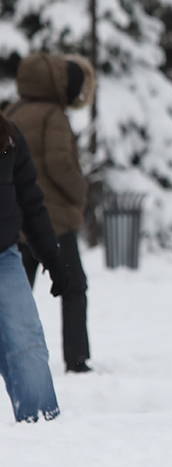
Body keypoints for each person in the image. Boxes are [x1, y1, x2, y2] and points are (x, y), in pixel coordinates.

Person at [5, 52, 95, 373]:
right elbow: (61, 165)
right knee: (73, 287)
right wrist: (80, 191)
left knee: (16, 295)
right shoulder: (53, 116)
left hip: (18, 221)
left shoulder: (12, 112)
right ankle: (77, 358)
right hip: (53, 222)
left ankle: (10, 355)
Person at [0, 112, 65, 422]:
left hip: (3, 257)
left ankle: (42, 426)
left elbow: (29, 200)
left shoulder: (8, 137)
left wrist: (51, 257)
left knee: (27, 341)